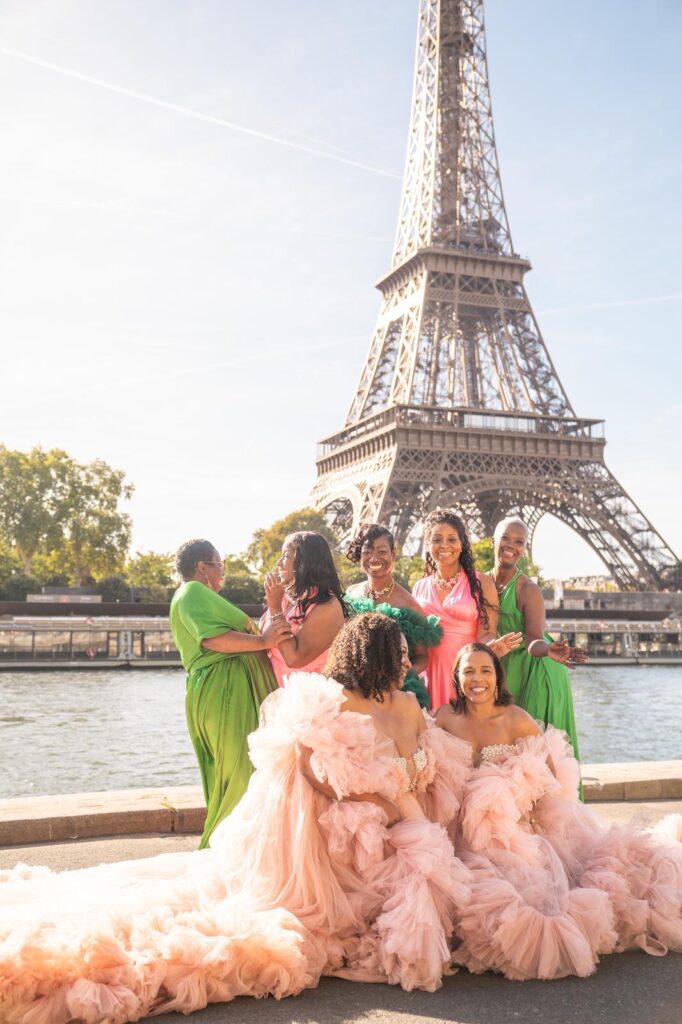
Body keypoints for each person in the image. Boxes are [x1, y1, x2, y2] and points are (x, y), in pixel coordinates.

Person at [0, 614, 472, 1021]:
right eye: (400, 655)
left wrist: (402, 799)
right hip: (360, 820)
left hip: (400, 821)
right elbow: (307, 766)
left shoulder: (408, 704)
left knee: (425, 879)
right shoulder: (338, 701)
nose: (408, 663)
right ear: (378, 658)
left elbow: (422, 763)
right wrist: (368, 801)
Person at [436, 643, 682, 980]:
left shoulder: (515, 720)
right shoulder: (445, 717)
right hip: (460, 823)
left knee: (522, 889)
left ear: (497, 678)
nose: (477, 679)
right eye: (468, 671)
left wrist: (522, 808)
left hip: (511, 824)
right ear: (456, 677)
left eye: (485, 671)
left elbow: (548, 777)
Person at [169, 538, 290, 848]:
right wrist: (264, 642)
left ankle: (232, 848)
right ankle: (224, 851)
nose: (222, 571)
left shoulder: (195, 595)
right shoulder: (193, 591)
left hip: (223, 688)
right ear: (201, 567)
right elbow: (212, 639)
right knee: (240, 772)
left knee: (233, 772)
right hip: (224, 691)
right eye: (219, 564)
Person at [488, 517, 585, 766]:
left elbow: (533, 638)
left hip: (536, 668)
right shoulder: (483, 582)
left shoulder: (527, 589)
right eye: (506, 538)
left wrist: (548, 649)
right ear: (493, 542)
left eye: (519, 542)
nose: (511, 546)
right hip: (505, 666)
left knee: (533, 753)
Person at [412, 508, 522, 709]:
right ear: (428, 545)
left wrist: (492, 647)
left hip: (468, 674)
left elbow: (486, 633)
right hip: (429, 676)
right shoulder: (419, 587)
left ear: (462, 544)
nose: (444, 545)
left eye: (452, 539)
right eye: (437, 539)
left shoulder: (482, 583)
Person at [344, 522, 440, 708]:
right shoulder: (351, 593)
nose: (374, 558)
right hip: (356, 687)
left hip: (395, 693)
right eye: (368, 551)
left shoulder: (409, 605)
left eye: (382, 551)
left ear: (393, 554)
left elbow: (422, 657)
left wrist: (398, 673)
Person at [261, 531, 347, 686]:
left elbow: (294, 658)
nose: (279, 562)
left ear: (305, 562)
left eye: (286, 555)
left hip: (308, 701)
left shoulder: (328, 606)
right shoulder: (284, 597)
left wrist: (274, 607)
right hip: (273, 697)